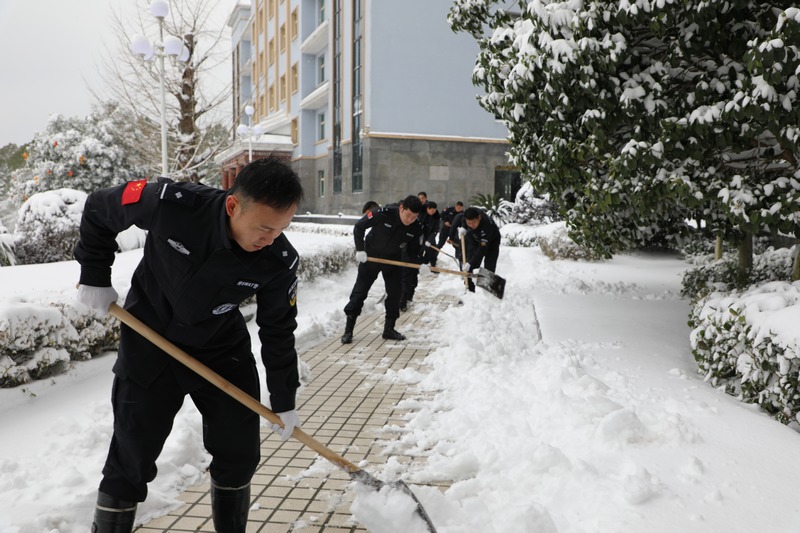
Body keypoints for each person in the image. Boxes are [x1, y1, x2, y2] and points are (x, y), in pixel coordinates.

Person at [74, 157, 304, 533]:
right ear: (233, 205)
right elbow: (100, 207)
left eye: (281, 229)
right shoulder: (172, 204)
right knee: (131, 457)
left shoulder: (277, 261)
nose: (271, 239)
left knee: (239, 452)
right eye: (264, 228)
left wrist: (284, 398)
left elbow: (278, 330)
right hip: (150, 341)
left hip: (220, 349)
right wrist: (93, 273)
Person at [341, 195, 425, 343]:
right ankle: (348, 330)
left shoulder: (416, 226)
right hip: (371, 257)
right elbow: (359, 226)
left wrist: (420, 264)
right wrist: (360, 249)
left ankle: (389, 329)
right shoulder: (383, 213)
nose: (410, 220)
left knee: (395, 293)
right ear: (401, 208)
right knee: (360, 292)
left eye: (414, 217)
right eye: (408, 215)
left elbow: (413, 251)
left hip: (393, 260)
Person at [400, 201, 440, 310]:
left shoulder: (434, 218)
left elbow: (434, 231)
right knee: (406, 277)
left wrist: (429, 240)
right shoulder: (415, 219)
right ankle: (402, 302)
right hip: (407, 251)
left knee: (413, 278)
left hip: (420, 248)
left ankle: (409, 298)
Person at [459, 207, 501, 292]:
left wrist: (470, 263)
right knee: (471, 263)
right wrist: (463, 227)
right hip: (475, 239)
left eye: (474, 222)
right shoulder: (469, 214)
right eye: (469, 223)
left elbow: (482, 250)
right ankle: (470, 290)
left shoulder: (487, 226)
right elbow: (464, 219)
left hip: (492, 242)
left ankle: (488, 292)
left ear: (479, 218)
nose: (471, 225)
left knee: (489, 267)